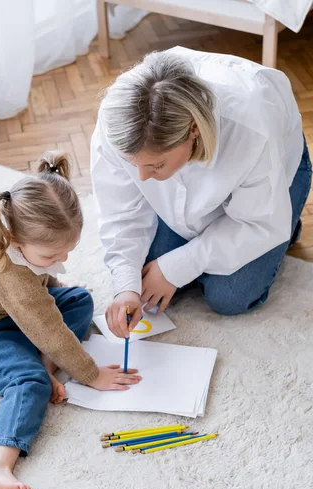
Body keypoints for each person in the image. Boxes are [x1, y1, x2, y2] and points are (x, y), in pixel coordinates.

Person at [0, 152, 141, 489]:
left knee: (78, 300)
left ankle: (45, 365)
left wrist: (49, 272)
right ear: (14, 240)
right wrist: (89, 373)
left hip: (9, 314)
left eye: (67, 251)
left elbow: (44, 290)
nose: (60, 261)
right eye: (51, 255)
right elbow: (46, 326)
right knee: (30, 382)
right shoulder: (10, 272)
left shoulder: (22, 244)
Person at [91, 47, 312, 338]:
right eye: (134, 165)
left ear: (193, 130)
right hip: (201, 193)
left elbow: (258, 223)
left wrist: (179, 266)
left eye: (156, 165)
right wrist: (126, 287)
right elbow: (121, 212)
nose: (142, 178)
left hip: (277, 175)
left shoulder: (250, 127)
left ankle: (291, 221)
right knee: (143, 274)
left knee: (229, 295)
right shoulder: (117, 123)